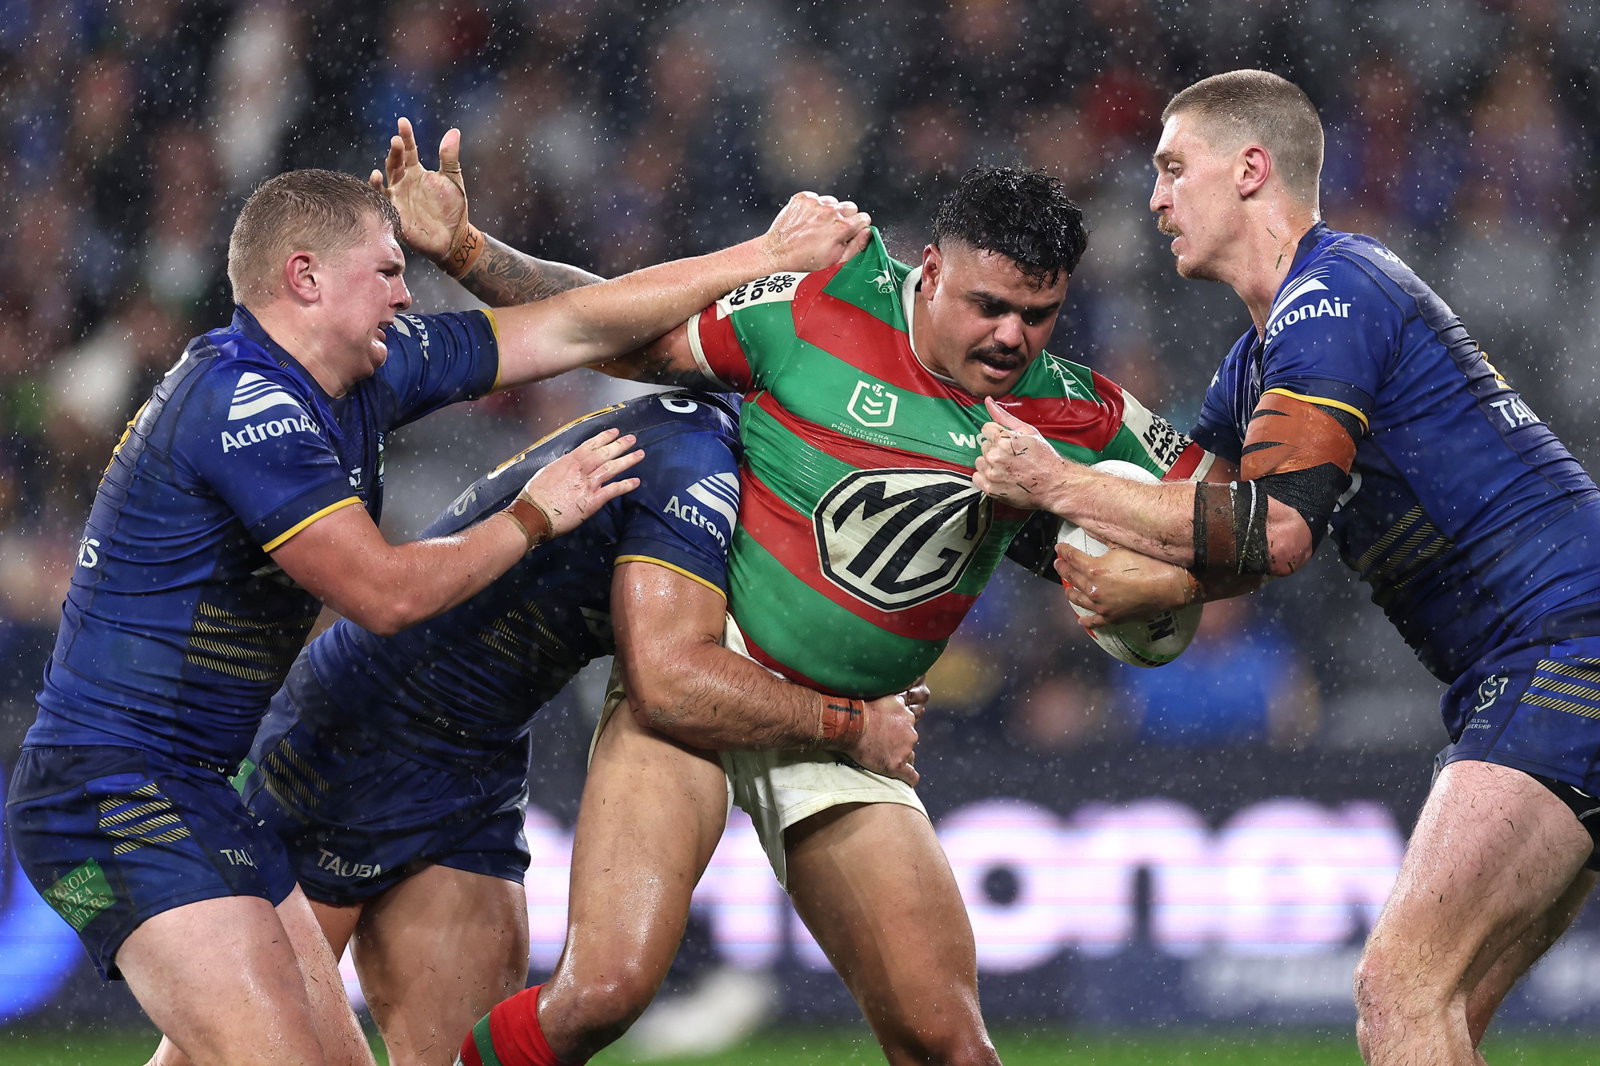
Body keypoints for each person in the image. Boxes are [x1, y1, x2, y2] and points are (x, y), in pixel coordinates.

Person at [3, 150, 870, 1066]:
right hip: (107, 792)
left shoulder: (364, 373)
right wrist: (535, 515)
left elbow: (574, 325)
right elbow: (385, 594)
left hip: (198, 789)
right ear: (305, 279)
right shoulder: (242, 405)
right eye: (386, 272)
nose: (406, 297)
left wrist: (758, 260)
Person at [392, 123, 1215, 1066]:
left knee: (952, 1047)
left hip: (852, 733)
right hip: (707, 683)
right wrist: (463, 249)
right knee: (601, 994)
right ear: (931, 268)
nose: (1011, 337)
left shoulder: (1080, 411)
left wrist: (1157, 571)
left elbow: (1221, 514)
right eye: (990, 306)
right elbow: (610, 324)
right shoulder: (815, 307)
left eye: (1039, 315)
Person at [972, 68, 1600, 1065]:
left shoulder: (1332, 292)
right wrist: (1117, 570)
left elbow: (1274, 531)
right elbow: (1218, 535)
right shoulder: (1254, 363)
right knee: (1442, 1013)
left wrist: (1058, 484)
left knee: (1398, 994)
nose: (1155, 197)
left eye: (1175, 168)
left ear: (1251, 170)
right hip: (1529, 663)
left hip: (1564, 647)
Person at [234, 387, 921, 1066]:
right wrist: (852, 724)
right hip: (355, 741)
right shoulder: (697, 465)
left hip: (478, 765)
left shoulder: (733, 453)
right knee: (242, 1051)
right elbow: (669, 684)